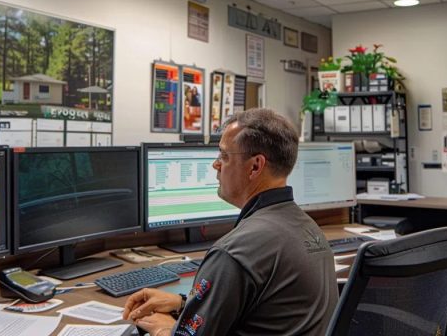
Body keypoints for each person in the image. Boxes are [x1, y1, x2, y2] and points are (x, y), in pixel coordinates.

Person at [123, 108, 338, 336]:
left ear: (255, 166)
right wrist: (183, 303)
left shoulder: (234, 252)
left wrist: (165, 329)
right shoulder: (308, 228)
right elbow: (267, 310)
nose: (216, 165)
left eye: (224, 156)